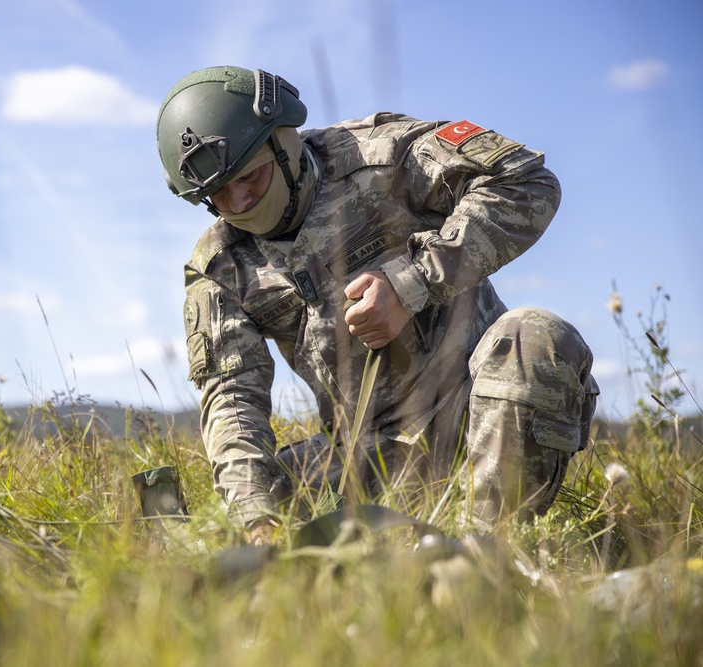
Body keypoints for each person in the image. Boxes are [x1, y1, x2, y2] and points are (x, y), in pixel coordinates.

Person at [156, 66, 598, 543]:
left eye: (252, 177)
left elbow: (526, 181)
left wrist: (413, 282)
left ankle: (486, 557)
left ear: (283, 145)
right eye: (219, 195)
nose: (240, 202)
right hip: (368, 452)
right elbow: (232, 396)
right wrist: (258, 518)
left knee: (535, 335)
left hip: (478, 411)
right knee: (238, 516)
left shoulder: (382, 156)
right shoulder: (220, 266)